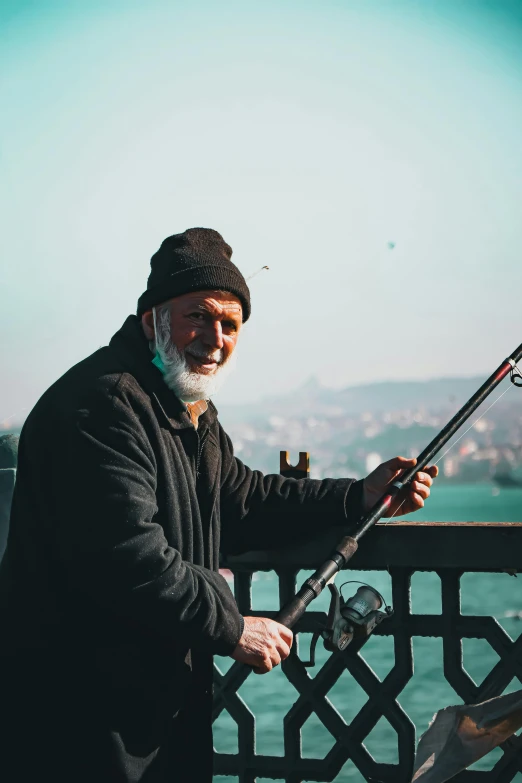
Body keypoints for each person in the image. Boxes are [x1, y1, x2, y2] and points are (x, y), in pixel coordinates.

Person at [0, 228, 437, 782]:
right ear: (151, 320)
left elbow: (243, 499)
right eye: (198, 316)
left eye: (230, 324)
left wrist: (357, 496)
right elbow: (127, 557)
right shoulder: (105, 404)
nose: (215, 337)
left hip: (150, 711)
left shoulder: (188, 406)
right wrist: (232, 628)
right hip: (80, 717)